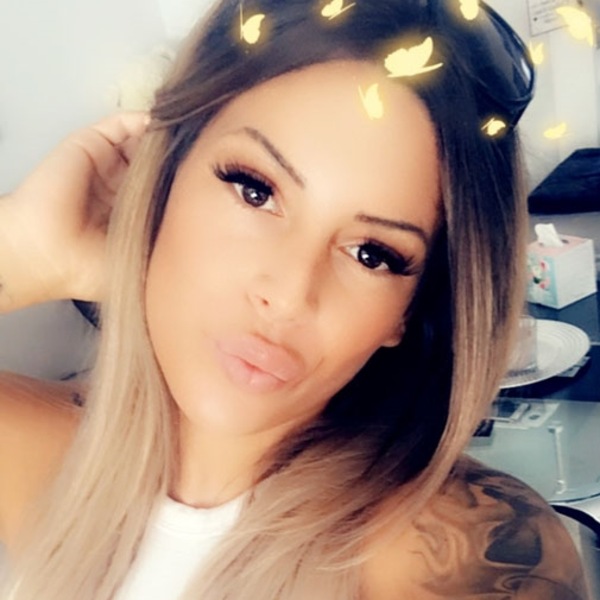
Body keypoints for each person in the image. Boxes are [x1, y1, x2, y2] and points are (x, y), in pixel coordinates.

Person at [0, 0, 590, 598]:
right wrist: (27, 252)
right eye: (255, 191)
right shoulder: (45, 452)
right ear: (162, 178)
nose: (288, 296)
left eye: (373, 255)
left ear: (408, 312)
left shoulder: (462, 551)